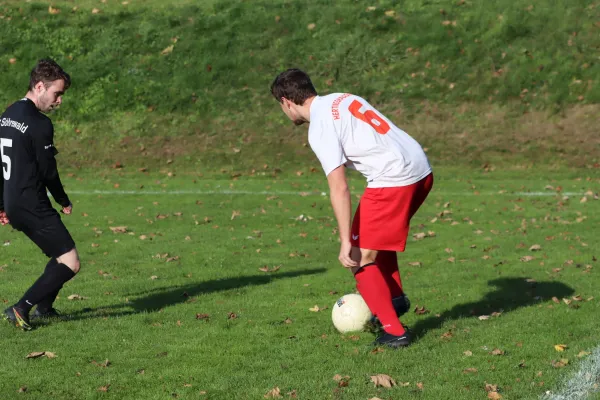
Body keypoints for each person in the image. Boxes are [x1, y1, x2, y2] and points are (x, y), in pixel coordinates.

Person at [270, 69, 433, 348]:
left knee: (358, 256)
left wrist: (346, 241)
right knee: (372, 242)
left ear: (286, 101)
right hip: (421, 171)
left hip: (393, 180)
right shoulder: (342, 98)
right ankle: (393, 299)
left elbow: (340, 187)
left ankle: (395, 332)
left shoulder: (319, 127)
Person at [0, 58, 80, 331]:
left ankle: (45, 307)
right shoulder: (39, 123)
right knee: (70, 261)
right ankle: (22, 308)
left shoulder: (7, 115)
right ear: (39, 86)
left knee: (57, 253)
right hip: (32, 203)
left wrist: (2, 205)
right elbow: (48, 171)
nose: (59, 101)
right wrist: (63, 199)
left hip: (14, 202)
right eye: (57, 93)